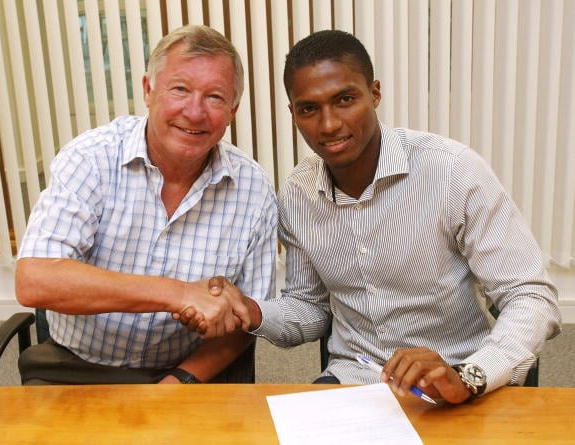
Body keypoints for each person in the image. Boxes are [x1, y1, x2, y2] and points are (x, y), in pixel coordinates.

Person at [194, 29, 562, 404]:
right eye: (309, 109)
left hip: (457, 378)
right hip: (355, 378)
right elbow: (310, 308)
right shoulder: (298, 192)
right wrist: (250, 311)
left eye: (345, 99)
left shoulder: (452, 171)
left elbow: (529, 294)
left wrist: (470, 375)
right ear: (294, 114)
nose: (329, 125)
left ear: (375, 93)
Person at [15, 25, 277, 385]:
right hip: (75, 366)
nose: (195, 111)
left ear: (233, 109)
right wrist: (179, 294)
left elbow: (246, 321)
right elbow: (35, 280)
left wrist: (178, 382)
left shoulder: (254, 190)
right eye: (180, 89)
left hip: (188, 372)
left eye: (215, 97)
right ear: (148, 90)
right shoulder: (91, 158)